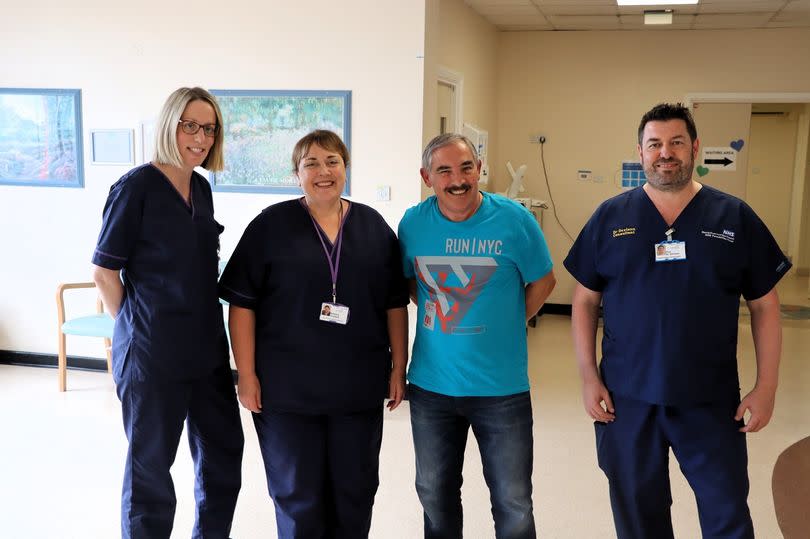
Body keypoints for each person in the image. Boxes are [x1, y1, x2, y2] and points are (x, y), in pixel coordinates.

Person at [565, 103, 790, 539]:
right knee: (638, 514)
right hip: (628, 398)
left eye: (676, 143)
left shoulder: (734, 217)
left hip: (709, 397)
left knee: (726, 510)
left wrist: (767, 387)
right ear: (640, 152)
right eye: (654, 144)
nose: (665, 153)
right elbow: (583, 302)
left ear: (695, 148)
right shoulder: (611, 218)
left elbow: (765, 305)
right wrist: (588, 377)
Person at [219, 129, 409, 538]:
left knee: (355, 491)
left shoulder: (373, 228)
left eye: (332, 162)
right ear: (296, 174)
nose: (323, 172)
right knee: (297, 495)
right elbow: (242, 305)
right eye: (311, 164)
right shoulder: (270, 226)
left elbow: (394, 302)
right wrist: (246, 375)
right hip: (286, 392)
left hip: (356, 389)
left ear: (346, 167)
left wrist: (399, 366)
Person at [91, 87, 244, 538]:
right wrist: (139, 328)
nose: (200, 137)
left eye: (209, 129)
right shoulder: (136, 187)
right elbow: (104, 272)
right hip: (153, 355)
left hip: (206, 352)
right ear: (169, 126)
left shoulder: (200, 187)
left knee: (223, 453)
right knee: (151, 471)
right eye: (190, 126)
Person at [398, 133, 556, 538]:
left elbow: (543, 281)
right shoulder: (413, 223)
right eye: (444, 170)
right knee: (434, 493)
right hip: (432, 387)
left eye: (466, 167)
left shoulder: (514, 220)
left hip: (501, 389)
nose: (458, 179)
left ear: (479, 169)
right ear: (426, 176)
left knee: (513, 500)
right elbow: (411, 285)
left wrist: (509, 320)